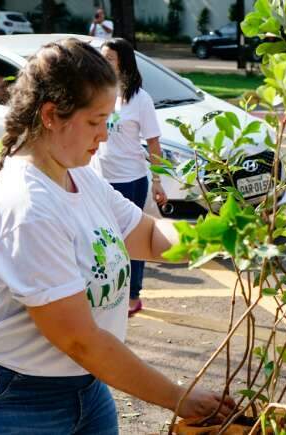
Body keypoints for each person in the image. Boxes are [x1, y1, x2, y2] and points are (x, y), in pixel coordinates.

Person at [0, 38, 234, 434]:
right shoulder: (29, 205)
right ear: (51, 115)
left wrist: (234, 236)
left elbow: (151, 236)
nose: (104, 136)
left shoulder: (79, 175)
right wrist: (178, 397)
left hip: (83, 387)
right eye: (95, 121)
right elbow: (81, 339)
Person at [92, 38, 167, 316]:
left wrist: (158, 181)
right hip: (101, 178)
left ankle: (134, 294)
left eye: (109, 58)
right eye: (102, 58)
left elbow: (154, 144)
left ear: (123, 61)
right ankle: (113, 291)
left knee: (132, 238)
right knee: (106, 240)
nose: (104, 63)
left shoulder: (140, 99)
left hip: (131, 179)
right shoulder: (100, 94)